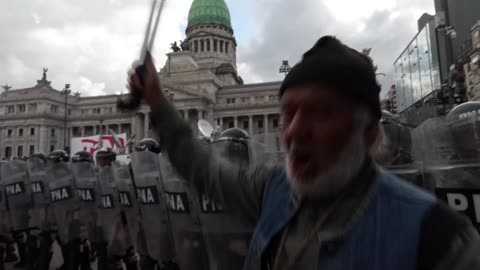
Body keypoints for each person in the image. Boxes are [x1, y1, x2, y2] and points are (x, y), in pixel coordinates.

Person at [127, 36, 480, 270]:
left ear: (369, 132)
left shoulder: (440, 239)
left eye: (321, 112)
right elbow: (200, 167)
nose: (294, 130)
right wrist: (158, 101)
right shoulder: (273, 189)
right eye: (289, 112)